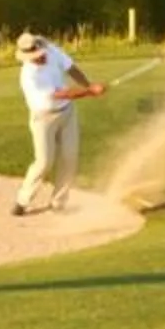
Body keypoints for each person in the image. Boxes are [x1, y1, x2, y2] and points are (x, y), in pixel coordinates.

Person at [12, 31, 104, 215]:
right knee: (44, 162)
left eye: (40, 53)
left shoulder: (51, 50)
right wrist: (90, 92)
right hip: (43, 119)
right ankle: (23, 200)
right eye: (35, 57)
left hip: (67, 113)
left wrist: (88, 85)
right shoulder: (29, 77)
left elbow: (71, 68)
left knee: (70, 157)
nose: (40, 57)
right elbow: (60, 94)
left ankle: (58, 202)